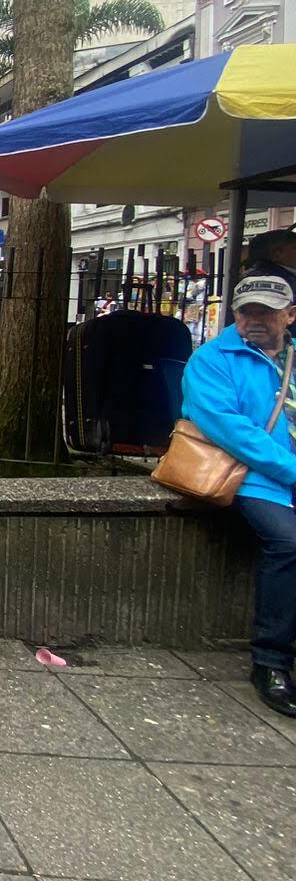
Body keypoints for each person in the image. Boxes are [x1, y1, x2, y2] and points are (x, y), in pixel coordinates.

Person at [182, 272, 296, 716]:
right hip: (249, 478)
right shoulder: (213, 359)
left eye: (266, 312)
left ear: (289, 315)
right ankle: (271, 661)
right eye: (247, 311)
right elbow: (231, 430)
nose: (254, 320)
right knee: (288, 543)